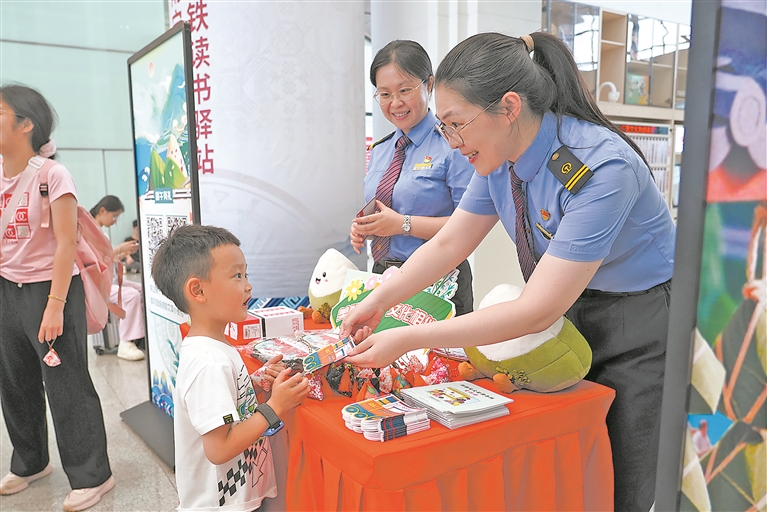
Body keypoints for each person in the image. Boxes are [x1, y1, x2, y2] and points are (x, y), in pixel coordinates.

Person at [341, 32, 676, 512]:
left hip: (637, 324)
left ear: (509, 107)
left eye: (457, 125)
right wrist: (378, 300)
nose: (452, 143)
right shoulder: (499, 157)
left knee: (621, 474)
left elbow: (537, 309)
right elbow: (452, 242)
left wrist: (409, 337)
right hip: (568, 310)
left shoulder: (601, 168)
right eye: (444, 127)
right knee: (561, 463)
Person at [0, 84, 115, 510]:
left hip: (51, 290)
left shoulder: (52, 175)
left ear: (25, 124)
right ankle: (31, 462)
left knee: (67, 385)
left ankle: (93, 475)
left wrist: (54, 306)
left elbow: (66, 244)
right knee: (14, 383)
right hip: (6, 289)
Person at [151, 224, 310, 511]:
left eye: (246, 274)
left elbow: (225, 406)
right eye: (237, 276)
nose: (248, 286)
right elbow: (220, 448)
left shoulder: (213, 346)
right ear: (198, 290)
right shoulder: (209, 364)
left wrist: (255, 382)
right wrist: (275, 406)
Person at [350, 40, 476, 315]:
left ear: (428, 85)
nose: (395, 103)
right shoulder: (381, 150)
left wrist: (402, 225)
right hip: (383, 277)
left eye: (405, 90)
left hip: (438, 280)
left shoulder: (453, 145)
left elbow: (469, 226)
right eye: (384, 94)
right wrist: (365, 228)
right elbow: (384, 210)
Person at [90, 196, 145, 360]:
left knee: (142, 290)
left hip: (109, 280)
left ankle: (138, 336)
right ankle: (126, 342)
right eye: (114, 216)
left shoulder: (99, 232)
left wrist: (123, 252)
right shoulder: (88, 232)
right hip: (97, 285)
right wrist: (119, 250)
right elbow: (94, 261)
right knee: (131, 296)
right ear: (102, 211)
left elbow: (107, 259)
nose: (115, 221)